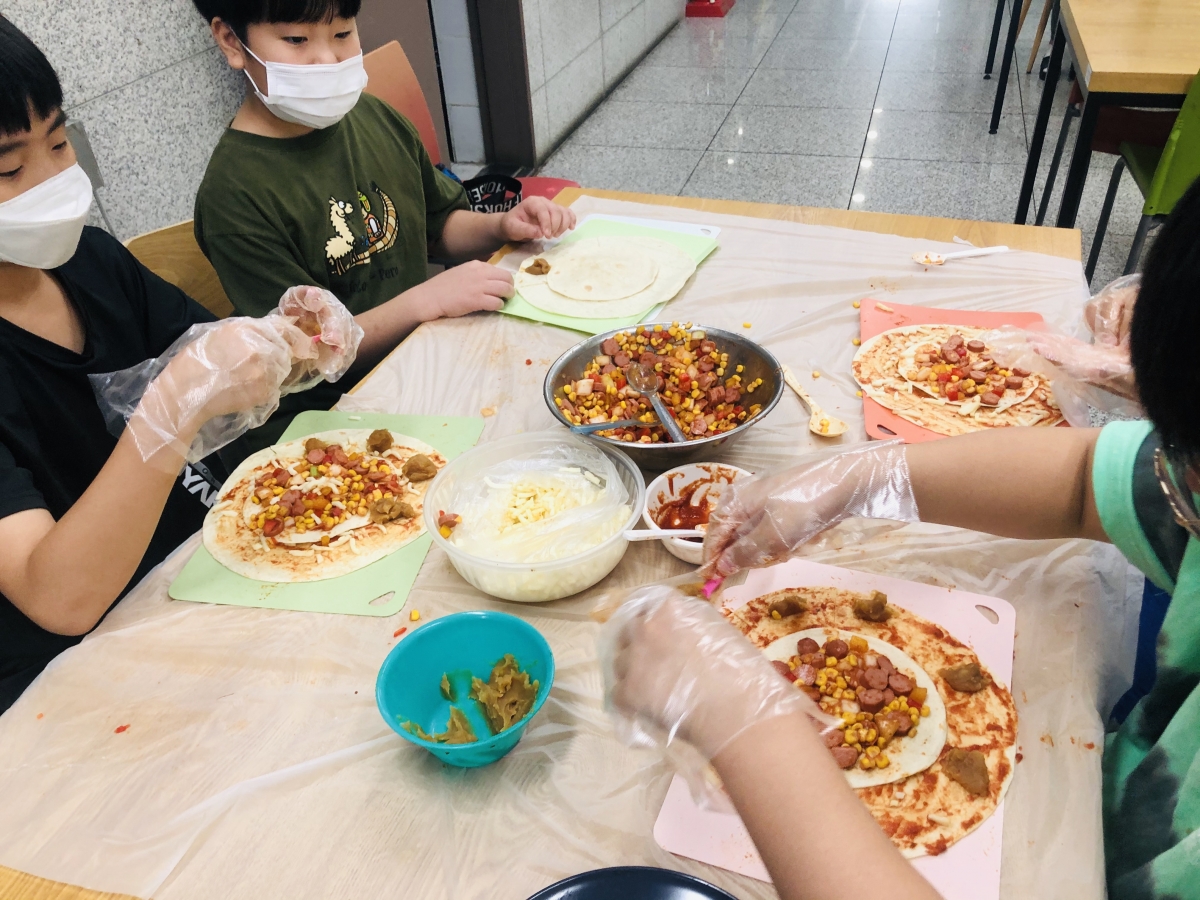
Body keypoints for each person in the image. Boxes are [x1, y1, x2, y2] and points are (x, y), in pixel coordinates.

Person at [603, 179, 1200, 900]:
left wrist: (749, 730)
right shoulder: (1187, 476)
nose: (1174, 490)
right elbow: (1084, 484)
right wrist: (857, 478)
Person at [0, 19, 323, 714]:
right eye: (9, 170)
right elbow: (58, 599)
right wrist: (173, 405)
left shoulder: (91, 261)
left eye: (58, 142)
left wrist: (285, 341)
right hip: (74, 678)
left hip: (207, 572)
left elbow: (214, 362)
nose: (54, 181)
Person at [191, 0, 575, 458]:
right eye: (296, 40)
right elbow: (306, 354)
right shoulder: (233, 194)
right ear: (231, 41)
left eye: (342, 34)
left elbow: (436, 226)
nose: (327, 59)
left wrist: (500, 225)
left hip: (417, 362)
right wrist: (425, 301)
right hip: (322, 420)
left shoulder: (375, 119)